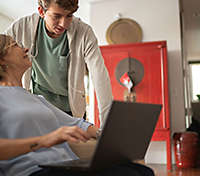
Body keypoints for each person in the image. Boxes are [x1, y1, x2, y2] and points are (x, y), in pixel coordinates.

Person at [0, 34, 155, 176]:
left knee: (140, 171)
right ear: (1, 59)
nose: (25, 48)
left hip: (64, 165)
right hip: (32, 171)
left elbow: (78, 123)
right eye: (14, 45)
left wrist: (109, 137)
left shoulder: (37, 99)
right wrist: (44, 140)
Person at [4, 0, 112, 127]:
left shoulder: (84, 32)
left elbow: (99, 75)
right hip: (37, 107)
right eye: (57, 16)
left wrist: (107, 123)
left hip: (70, 111)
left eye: (69, 16)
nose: (64, 23)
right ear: (42, 11)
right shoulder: (22, 27)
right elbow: (2, 50)